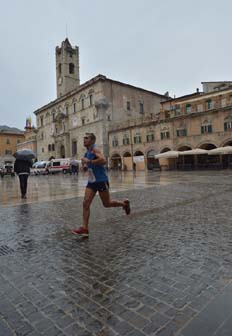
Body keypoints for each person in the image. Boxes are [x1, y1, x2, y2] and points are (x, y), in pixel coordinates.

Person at [71, 133, 130, 237]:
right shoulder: (87, 153)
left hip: (101, 180)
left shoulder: (95, 150)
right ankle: (85, 228)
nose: (84, 140)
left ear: (92, 141)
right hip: (92, 181)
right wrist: (85, 166)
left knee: (107, 204)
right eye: (84, 138)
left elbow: (102, 160)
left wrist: (89, 161)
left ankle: (124, 204)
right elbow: (88, 165)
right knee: (85, 203)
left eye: (87, 138)